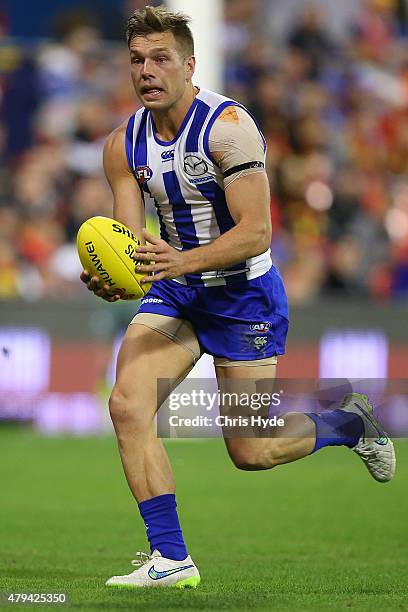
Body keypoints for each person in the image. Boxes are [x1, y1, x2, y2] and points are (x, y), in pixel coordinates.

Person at [80, 5, 396, 590]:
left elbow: (257, 231)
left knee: (251, 450)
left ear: (189, 63)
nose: (146, 71)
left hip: (244, 297)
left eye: (160, 58)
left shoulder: (228, 128)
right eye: (136, 61)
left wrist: (179, 260)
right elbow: (128, 245)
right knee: (128, 405)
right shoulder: (122, 145)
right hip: (178, 293)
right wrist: (113, 277)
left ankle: (346, 424)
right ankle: (171, 558)